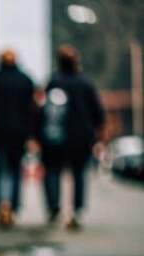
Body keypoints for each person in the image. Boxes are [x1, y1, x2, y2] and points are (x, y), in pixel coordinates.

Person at [39, 45, 104, 229]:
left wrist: (39, 134)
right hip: (81, 138)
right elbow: (97, 112)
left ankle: (53, 208)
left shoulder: (53, 82)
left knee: (52, 172)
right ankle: (77, 211)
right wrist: (99, 134)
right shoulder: (86, 83)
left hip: (54, 136)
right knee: (79, 174)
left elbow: (44, 110)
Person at [0, 50, 35, 227]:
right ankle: (13, 206)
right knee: (16, 170)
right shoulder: (26, 80)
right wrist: (30, 135)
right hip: (19, 134)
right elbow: (31, 110)